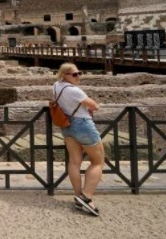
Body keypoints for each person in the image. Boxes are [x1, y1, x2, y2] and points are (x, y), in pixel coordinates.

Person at [53, 63, 104, 216]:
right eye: (74, 74)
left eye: (79, 73)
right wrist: (96, 106)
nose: (78, 77)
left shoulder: (56, 85)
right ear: (64, 75)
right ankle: (87, 197)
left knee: (74, 161)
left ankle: (79, 196)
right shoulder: (74, 91)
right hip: (82, 125)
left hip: (67, 125)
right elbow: (94, 106)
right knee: (98, 161)